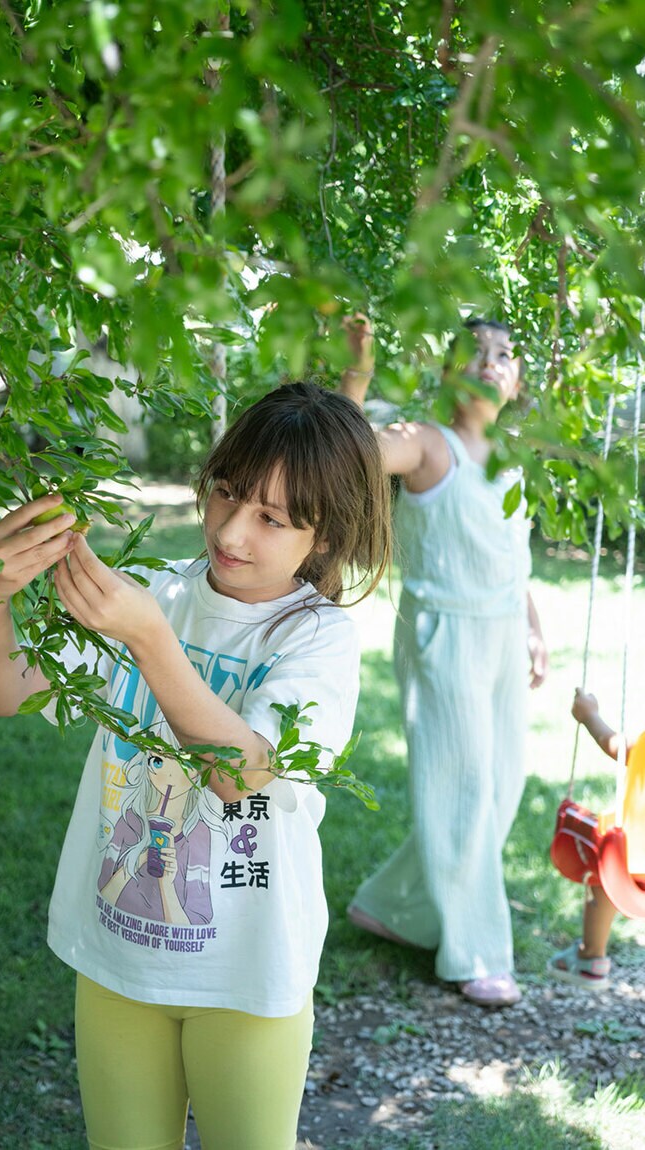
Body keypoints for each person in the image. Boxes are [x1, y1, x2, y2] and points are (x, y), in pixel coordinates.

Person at [0, 381, 391, 1150]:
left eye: (271, 518)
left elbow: (243, 774)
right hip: (116, 956)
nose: (231, 529)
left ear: (322, 538)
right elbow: (3, 693)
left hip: (246, 975)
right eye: (226, 493)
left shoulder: (316, 639)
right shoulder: (158, 587)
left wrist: (150, 641)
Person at [340, 315, 548, 1008]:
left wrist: (531, 627)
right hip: (443, 636)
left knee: (500, 786)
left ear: (516, 381)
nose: (489, 361)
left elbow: (510, 556)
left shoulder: (509, 459)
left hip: (497, 632)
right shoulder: (427, 444)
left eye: (503, 354)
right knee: (463, 790)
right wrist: (359, 371)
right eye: (473, 350)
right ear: (445, 370)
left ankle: (391, 905)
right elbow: (350, 451)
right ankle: (474, 951)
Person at [548, 687, 644, 990]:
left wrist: (589, 715)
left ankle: (591, 958)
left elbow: (613, 744)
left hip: (634, 859)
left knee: (603, 877)